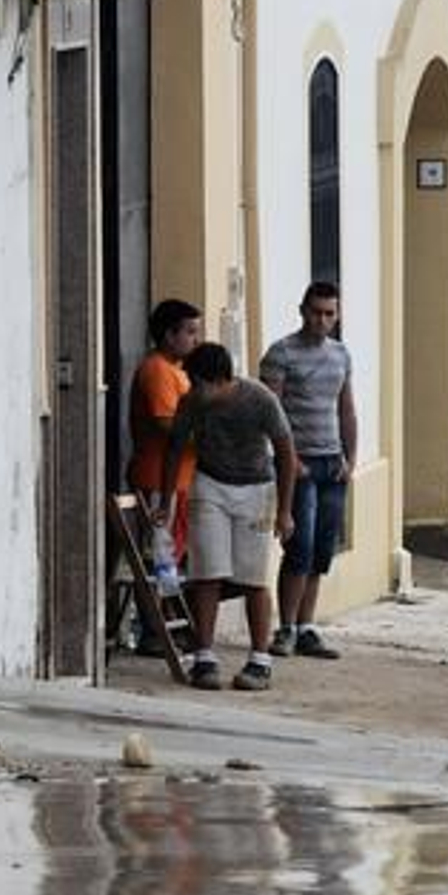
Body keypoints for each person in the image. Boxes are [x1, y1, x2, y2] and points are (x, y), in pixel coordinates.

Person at [160, 342, 297, 692]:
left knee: (252, 578)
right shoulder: (192, 403)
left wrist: (284, 510)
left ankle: (260, 659)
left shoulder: (260, 399)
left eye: (198, 382)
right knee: (207, 571)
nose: (193, 389)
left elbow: (285, 452)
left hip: (256, 490)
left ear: (220, 380)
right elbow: (174, 447)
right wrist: (166, 500)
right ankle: (204, 656)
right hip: (210, 485)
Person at [260, 281, 357, 660]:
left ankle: (306, 627)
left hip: (332, 463)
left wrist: (351, 458)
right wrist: (288, 458)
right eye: (316, 312)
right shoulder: (281, 354)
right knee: (297, 547)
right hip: (297, 465)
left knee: (321, 549)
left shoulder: (341, 355)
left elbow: (346, 409)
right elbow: (271, 410)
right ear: (302, 310)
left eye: (329, 313)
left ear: (337, 315)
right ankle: (284, 628)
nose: (322, 320)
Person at [126, 300, 201, 656]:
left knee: (174, 556)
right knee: (159, 557)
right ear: (169, 334)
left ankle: (170, 620)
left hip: (180, 480)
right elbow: (166, 424)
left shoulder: (179, 370)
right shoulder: (157, 370)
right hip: (158, 478)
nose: (194, 339)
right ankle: (154, 629)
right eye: (189, 332)